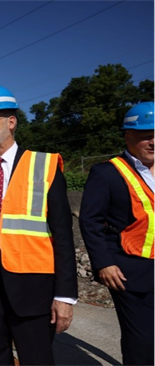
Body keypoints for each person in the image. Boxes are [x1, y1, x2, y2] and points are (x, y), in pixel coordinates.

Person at [0, 85, 77, 366]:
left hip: (34, 291)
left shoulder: (44, 166)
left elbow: (64, 237)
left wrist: (65, 296)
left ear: (11, 122)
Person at [79, 101, 155, 366]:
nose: (153, 141)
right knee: (142, 341)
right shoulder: (107, 172)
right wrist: (104, 262)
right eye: (146, 135)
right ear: (128, 136)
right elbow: (90, 221)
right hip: (129, 271)